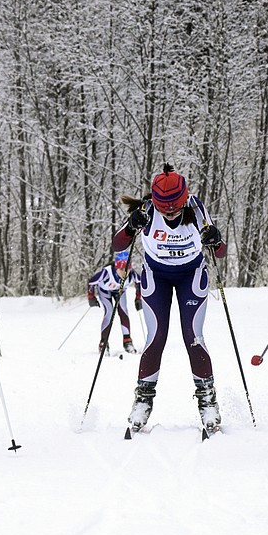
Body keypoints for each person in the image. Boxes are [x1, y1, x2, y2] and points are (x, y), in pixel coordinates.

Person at [111, 164, 227, 435]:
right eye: (165, 208)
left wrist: (216, 239)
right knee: (156, 337)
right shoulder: (147, 211)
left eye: (174, 207)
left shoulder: (195, 208)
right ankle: (142, 400)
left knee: (193, 336)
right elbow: (118, 245)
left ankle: (208, 401)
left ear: (183, 198)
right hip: (156, 277)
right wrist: (130, 227)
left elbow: (220, 253)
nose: (171, 212)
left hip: (191, 276)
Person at [87, 250, 140, 354]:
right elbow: (91, 282)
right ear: (116, 267)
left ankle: (127, 341)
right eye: (121, 269)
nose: (124, 273)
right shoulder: (106, 272)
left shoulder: (132, 274)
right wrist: (91, 297)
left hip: (120, 291)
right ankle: (103, 343)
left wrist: (138, 298)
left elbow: (140, 283)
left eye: (127, 269)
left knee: (124, 312)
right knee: (109, 313)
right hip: (105, 291)